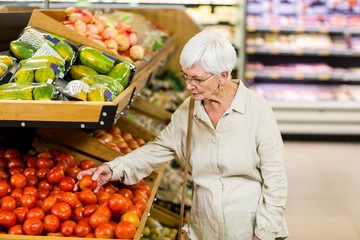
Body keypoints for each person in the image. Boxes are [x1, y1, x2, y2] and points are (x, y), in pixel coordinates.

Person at [75, 29, 289, 240]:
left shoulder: (256, 109)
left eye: (197, 79)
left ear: (223, 76)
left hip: (248, 228)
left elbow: (276, 179)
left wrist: (264, 234)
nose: (189, 85)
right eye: (185, 76)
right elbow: (158, 148)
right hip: (205, 228)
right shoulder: (189, 110)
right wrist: (113, 168)